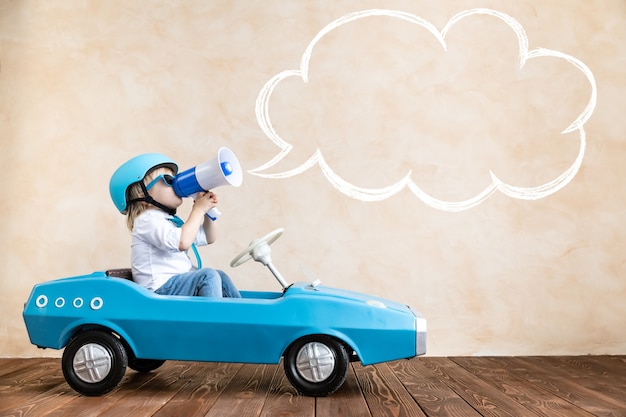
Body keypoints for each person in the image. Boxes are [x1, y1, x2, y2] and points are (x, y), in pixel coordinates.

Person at [109, 153, 241, 298]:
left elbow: (209, 237)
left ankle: (242, 317)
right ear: (142, 193)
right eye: (169, 180)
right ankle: (214, 320)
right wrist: (198, 210)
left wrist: (207, 212)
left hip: (175, 285)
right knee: (208, 276)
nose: (175, 184)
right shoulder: (146, 220)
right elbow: (183, 242)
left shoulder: (168, 220)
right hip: (158, 290)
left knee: (220, 276)